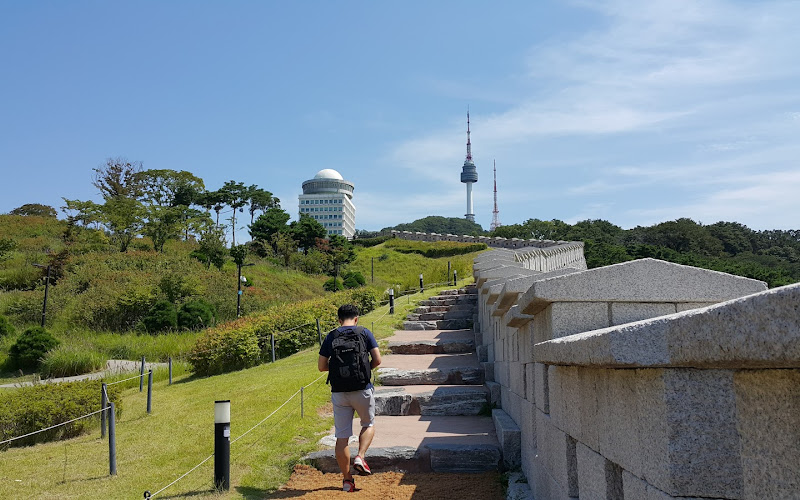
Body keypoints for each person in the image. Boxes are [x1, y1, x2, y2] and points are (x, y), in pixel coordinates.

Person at [318, 304, 382, 493]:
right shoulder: (364, 332)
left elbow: (321, 366)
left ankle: (347, 481)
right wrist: (362, 370)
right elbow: (377, 360)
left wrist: (340, 371)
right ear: (356, 318)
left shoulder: (331, 336)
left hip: (339, 392)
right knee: (368, 424)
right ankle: (360, 457)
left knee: (342, 437)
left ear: (339, 320)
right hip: (362, 388)